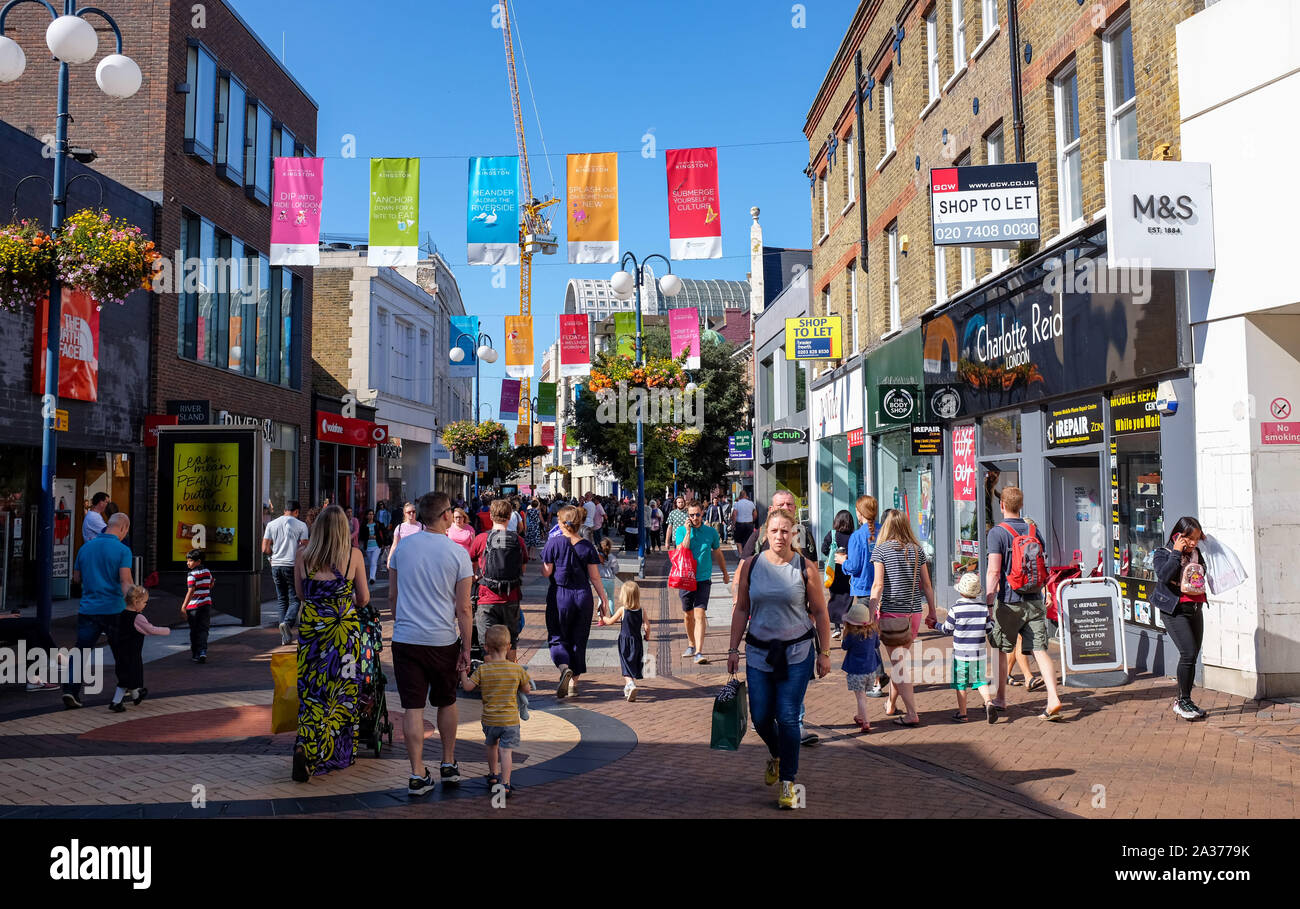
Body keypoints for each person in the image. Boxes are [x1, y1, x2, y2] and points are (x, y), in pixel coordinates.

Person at [726, 508, 831, 809]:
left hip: (796, 653)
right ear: (764, 534)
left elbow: (821, 612)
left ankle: (788, 782)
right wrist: (733, 649)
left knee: (787, 716)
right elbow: (742, 609)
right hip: (759, 652)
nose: (780, 536)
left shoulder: (805, 567)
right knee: (760, 717)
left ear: (793, 534)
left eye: (785, 531)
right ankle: (777, 753)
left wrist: (824, 653)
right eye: (774, 531)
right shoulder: (751, 566)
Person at [389, 492, 473, 794]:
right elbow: (464, 608)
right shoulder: (457, 554)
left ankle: (416, 773)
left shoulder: (402, 549)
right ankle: (448, 763)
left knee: (413, 708)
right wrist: (466, 648)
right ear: (444, 516)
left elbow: (393, 597)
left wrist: (401, 624)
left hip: (406, 638)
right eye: (450, 511)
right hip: (442, 639)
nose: (453, 515)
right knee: (447, 701)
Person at [291, 505, 370, 782]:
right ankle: (334, 752)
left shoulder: (302, 555)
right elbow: (363, 598)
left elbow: (301, 594)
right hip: (343, 634)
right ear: (343, 530)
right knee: (343, 693)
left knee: (313, 692)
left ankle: (306, 746)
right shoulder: (354, 556)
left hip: (312, 631)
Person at [983, 487, 1063, 722]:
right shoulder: (1033, 530)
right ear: (1020, 505)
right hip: (1035, 599)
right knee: (1040, 649)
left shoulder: (997, 533)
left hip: (1009, 601)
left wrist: (989, 601)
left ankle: (1000, 698)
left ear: (1002, 506)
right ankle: (1053, 698)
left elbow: (994, 571)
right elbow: (1042, 566)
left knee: (999, 648)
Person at [869, 510, 938, 727]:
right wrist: (933, 611)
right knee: (899, 661)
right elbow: (926, 585)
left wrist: (870, 613)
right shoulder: (918, 550)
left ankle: (911, 713)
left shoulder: (881, 550)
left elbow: (878, 585)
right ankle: (890, 704)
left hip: (891, 615)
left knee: (899, 666)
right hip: (913, 614)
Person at [63, 513, 133, 708]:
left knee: (81, 651)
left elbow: (76, 579)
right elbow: (125, 582)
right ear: (123, 528)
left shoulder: (85, 548)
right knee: (121, 650)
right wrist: (135, 605)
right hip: (114, 608)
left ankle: (70, 690)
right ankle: (125, 685)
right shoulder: (122, 550)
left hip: (88, 608)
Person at [542, 505, 608, 699]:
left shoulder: (553, 544)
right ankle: (573, 683)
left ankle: (564, 668)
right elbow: (595, 577)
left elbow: (546, 571)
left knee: (557, 636)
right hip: (582, 595)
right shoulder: (587, 546)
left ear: (561, 523)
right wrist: (603, 599)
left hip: (559, 594)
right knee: (578, 639)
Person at [462, 624, 533, 798]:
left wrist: (463, 672)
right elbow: (527, 689)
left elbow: (467, 687)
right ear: (509, 647)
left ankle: (493, 774)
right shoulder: (517, 670)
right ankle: (506, 783)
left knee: (491, 745)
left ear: (486, 647)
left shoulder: (483, 670)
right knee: (506, 751)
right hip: (509, 720)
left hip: (489, 719)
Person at [1152, 517, 1209, 720]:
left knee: (1192, 656)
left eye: (1196, 539)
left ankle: (1185, 700)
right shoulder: (1162, 553)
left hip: (1195, 608)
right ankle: (1182, 701)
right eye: (1189, 538)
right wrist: (1176, 552)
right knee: (1188, 652)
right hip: (1174, 611)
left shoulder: (1196, 553)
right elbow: (1165, 576)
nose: (1193, 543)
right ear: (1179, 535)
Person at [468, 498, 529, 664]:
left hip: (487, 597)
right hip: (511, 596)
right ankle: (511, 679)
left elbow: (472, 566)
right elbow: (522, 569)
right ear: (510, 516)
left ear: (491, 516)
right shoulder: (518, 540)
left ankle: (491, 680)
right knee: (511, 641)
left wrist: (477, 576)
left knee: (485, 643)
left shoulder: (481, 539)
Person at [841, 495, 888, 697]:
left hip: (863, 591)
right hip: (884, 589)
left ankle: (878, 677)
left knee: (866, 635)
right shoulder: (883, 532)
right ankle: (880, 674)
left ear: (859, 513)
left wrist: (842, 561)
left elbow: (854, 566)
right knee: (875, 633)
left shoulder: (857, 537)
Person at [674, 501, 729, 665]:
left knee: (700, 614)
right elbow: (681, 551)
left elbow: (718, 553)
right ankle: (691, 644)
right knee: (687, 615)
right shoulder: (681, 530)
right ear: (687, 515)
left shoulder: (711, 532)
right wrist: (688, 532)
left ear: (702, 514)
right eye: (691, 515)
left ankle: (699, 651)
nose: (695, 518)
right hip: (686, 578)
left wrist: (725, 572)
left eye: (697, 514)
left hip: (704, 579)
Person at [936, 573, 995, 722]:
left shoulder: (956, 609)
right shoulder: (983, 608)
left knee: (961, 683)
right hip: (979, 653)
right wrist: (992, 620)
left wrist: (934, 625)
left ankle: (963, 714)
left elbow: (946, 629)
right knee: (980, 680)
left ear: (961, 591)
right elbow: (989, 629)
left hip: (961, 655)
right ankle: (989, 702)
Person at [107, 585, 170, 712]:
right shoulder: (137, 617)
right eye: (144, 602)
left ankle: (136, 696)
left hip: (120, 652)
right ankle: (116, 702)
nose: (145, 605)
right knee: (130, 678)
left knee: (126, 677)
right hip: (132, 653)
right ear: (136, 602)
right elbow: (150, 629)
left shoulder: (120, 615)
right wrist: (166, 630)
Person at [265, 501, 310, 645]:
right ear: (296, 512)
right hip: (292, 565)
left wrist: (272, 557)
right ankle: (288, 623)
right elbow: (304, 547)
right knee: (296, 597)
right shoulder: (301, 525)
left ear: (284, 510)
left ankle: (285, 637)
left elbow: (265, 548)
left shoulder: (272, 524)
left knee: (281, 599)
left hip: (276, 565)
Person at [599, 579, 650, 701]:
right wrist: (647, 636)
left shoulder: (623, 610)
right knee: (633, 662)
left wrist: (603, 617)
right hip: (637, 641)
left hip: (624, 641)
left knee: (625, 664)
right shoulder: (641, 610)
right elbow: (647, 626)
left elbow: (610, 622)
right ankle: (628, 688)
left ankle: (630, 684)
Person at [840, 600, 881, 733]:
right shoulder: (872, 632)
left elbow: (844, 646)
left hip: (856, 670)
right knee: (862, 696)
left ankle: (866, 721)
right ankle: (859, 716)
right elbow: (877, 645)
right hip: (871, 670)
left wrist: (844, 634)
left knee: (860, 697)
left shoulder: (852, 635)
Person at [822, 509, 855, 638]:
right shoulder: (853, 536)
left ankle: (836, 628)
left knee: (835, 596)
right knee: (847, 598)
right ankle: (846, 625)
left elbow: (823, 548)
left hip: (834, 571)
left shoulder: (832, 534)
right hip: (848, 571)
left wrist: (830, 556)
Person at [180, 549, 213, 663]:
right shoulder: (207, 572)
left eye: (190, 561)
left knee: (194, 630)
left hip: (193, 607)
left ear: (198, 561)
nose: (187, 563)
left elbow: (190, 591)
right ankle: (203, 651)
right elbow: (211, 583)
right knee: (204, 629)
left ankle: (196, 653)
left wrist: (183, 606)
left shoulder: (191, 574)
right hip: (206, 605)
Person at [387, 502, 423, 569]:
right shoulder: (400, 527)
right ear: (404, 513)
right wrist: (389, 559)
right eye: (409, 512)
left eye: (413, 511)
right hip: (403, 560)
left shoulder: (422, 527)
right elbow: (394, 545)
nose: (412, 514)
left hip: (418, 562)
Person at [358, 508, 389, 585]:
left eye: (372, 514)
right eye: (369, 514)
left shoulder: (377, 523)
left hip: (376, 546)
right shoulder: (364, 525)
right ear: (366, 516)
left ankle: (372, 578)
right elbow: (361, 536)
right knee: (371, 562)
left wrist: (384, 543)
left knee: (373, 561)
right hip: (368, 546)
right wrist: (368, 537)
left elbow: (383, 533)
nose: (371, 516)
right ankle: (373, 577)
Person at [596, 537, 620, 608]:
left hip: (600, 580)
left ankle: (601, 616)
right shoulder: (612, 557)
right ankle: (612, 615)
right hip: (610, 580)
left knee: (601, 598)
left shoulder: (597, 557)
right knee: (611, 598)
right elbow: (616, 570)